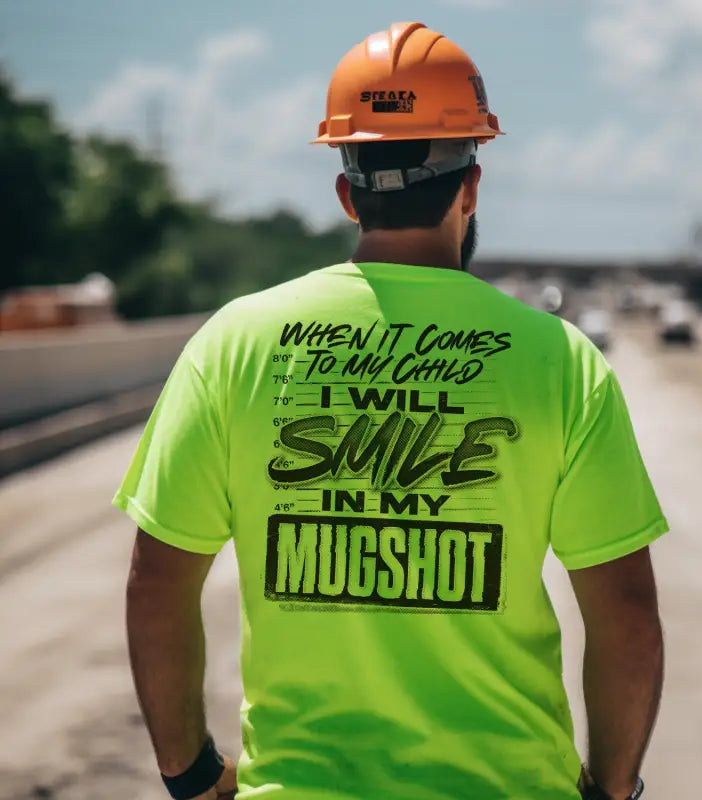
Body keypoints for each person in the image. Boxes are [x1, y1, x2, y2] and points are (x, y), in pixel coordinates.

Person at [116, 21, 666, 800]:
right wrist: (611, 791)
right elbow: (627, 618)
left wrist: (193, 777)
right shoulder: (562, 362)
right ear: (471, 188)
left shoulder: (233, 344)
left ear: (348, 193)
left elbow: (157, 583)